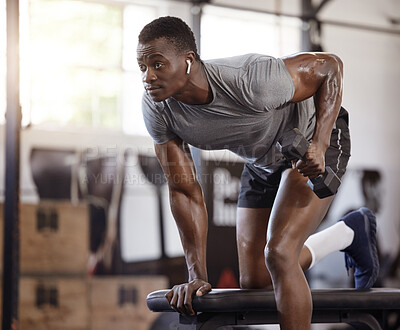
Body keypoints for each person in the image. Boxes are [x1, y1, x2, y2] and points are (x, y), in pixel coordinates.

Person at [137, 16, 379, 329]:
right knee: (256, 279)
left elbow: (330, 67)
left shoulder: (251, 80)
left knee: (279, 254)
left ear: (187, 61)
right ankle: (349, 232)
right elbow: (184, 190)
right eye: (142, 67)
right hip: (262, 161)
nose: (147, 77)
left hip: (311, 143)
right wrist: (196, 277)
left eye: (157, 65)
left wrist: (319, 143)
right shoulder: (157, 109)